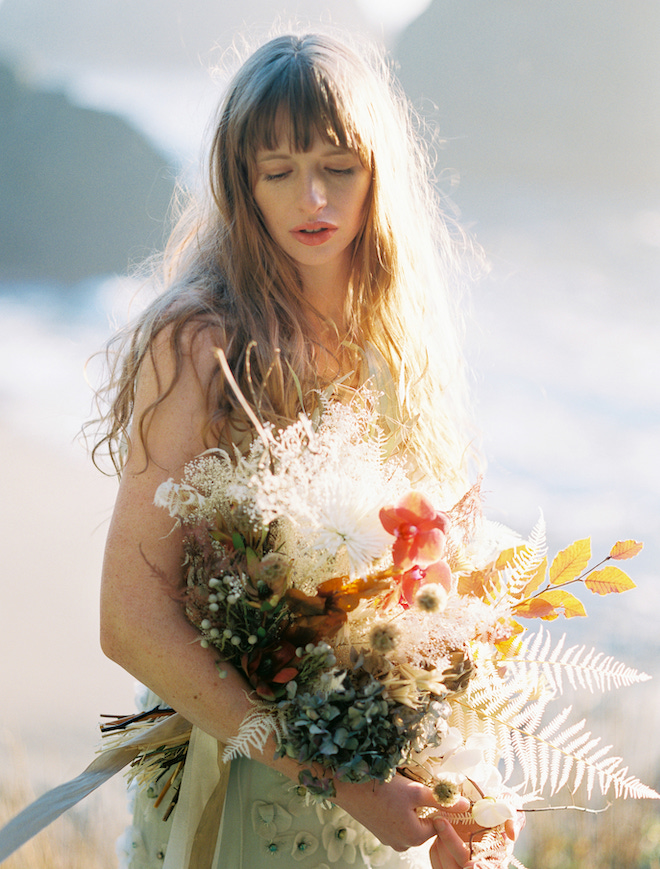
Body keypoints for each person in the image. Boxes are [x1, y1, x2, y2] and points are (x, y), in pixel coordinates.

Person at [96, 30, 509, 869]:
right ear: (242, 184)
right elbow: (128, 621)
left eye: (338, 167)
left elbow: (430, 592)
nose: (311, 198)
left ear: (378, 173)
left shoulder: (395, 342)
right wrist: (341, 780)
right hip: (243, 788)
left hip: (382, 795)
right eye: (278, 171)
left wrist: (464, 788)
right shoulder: (200, 344)